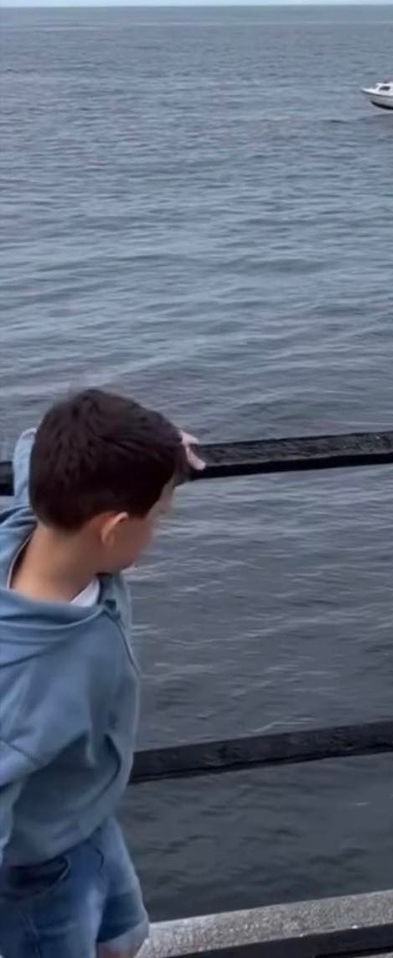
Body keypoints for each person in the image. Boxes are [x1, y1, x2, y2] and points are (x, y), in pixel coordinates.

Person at [0, 389, 203, 958]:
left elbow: (37, 445)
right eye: (157, 517)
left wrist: (160, 451)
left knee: (123, 937)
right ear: (112, 530)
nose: (158, 528)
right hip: (38, 876)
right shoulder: (23, 680)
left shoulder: (35, 520)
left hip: (86, 814)